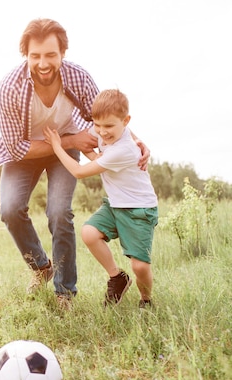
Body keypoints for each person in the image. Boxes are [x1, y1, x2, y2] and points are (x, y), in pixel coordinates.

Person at [0, 18, 150, 310]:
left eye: (51, 54)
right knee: (10, 209)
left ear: (63, 52)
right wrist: (71, 142)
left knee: (59, 212)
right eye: (35, 56)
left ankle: (65, 292)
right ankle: (40, 266)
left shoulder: (78, 77)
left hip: (64, 147)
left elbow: (107, 115)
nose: (43, 63)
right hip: (26, 152)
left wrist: (135, 141)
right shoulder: (10, 88)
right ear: (26, 55)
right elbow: (16, 147)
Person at [43, 89, 158, 308]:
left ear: (126, 121)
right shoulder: (108, 131)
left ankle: (146, 301)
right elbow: (92, 149)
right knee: (89, 233)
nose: (102, 133)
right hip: (115, 205)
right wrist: (95, 154)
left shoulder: (124, 149)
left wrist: (57, 146)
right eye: (97, 125)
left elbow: (78, 171)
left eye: (109, 127)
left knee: (140, 267)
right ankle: (117, 278)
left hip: (139, 210)